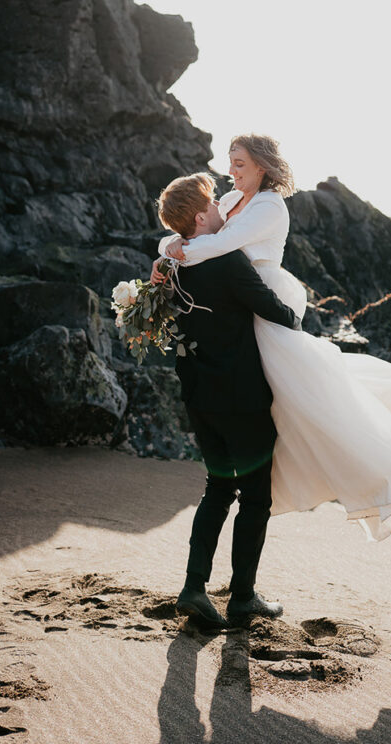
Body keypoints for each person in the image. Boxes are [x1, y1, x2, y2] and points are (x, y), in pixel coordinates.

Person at [153, 134, 391, 544]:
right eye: (230, 162)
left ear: (262, 166)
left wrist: (174, 252)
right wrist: (168, 245)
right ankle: (258, 497)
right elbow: (195, 231)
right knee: (282, 405)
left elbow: (220, 245)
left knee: (317, 400)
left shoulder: (268, 206)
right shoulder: (227, 203)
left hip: (263, 307)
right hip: (238, 310)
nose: (231, 171)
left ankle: (367, 469)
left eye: (240, 164)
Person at [156, 172, 302, 630]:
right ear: (201, 217)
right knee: (256, 498)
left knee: (218, 488)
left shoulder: (172, 267)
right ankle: (242, 598)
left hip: (199, 395)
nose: (224, 209)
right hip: (242, 398)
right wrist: (297, 315)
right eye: (215, 205)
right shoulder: (226, 261)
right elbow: (271, 308)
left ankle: (194, 587)